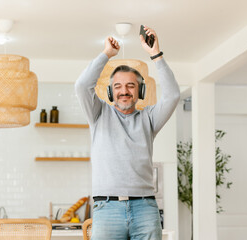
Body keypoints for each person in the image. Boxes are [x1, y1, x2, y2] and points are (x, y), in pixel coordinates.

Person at [75, 26, 180, 240]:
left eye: (131, 86)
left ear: (140, 91)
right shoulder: (98, 113)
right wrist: (107, 54)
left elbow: (172, 96)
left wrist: (155, 55)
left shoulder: (149, 118)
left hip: (145, 208)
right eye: (119, 86)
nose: (124, 91)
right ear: (111, 91)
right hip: (107, 209)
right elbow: (82, 85)